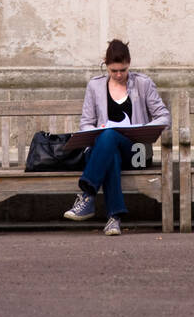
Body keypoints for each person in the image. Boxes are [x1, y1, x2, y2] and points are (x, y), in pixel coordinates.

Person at [64, 40, 171, 236]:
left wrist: (143, 128)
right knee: (109, 144)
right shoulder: (95, 86)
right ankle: (114, 219)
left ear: (129, 63)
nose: (119, 75)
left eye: (122, 70)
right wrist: (98, 131)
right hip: (106, 152)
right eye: (114, 71)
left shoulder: (143, 84)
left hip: (136, 153)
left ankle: (87, 195)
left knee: (110, 136)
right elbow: (86, 123)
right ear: (106, 65)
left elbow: (164, 116)